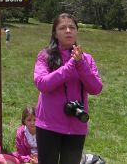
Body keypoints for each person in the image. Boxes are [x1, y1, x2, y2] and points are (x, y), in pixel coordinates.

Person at [34, 13, 102, 164]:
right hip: (48, 124)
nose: (68, 31)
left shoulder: (87, 59)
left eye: (72, 27)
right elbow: (42, 84)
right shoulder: (45, 55)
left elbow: (96, 88)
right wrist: (71, 65)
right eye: (62, 28)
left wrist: (80, 63)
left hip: (76, 123)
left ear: (77, 31)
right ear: (55, 33)